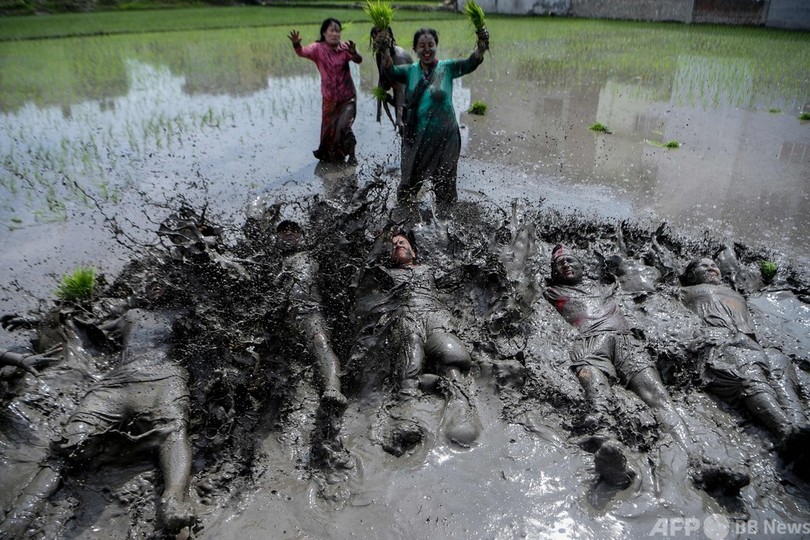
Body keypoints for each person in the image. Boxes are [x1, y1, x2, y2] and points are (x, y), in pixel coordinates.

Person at [544, 245, 700, 488]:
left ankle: (696, 459)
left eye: (571, 260)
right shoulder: (552, 292)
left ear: (584, 267)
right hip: (590, 343)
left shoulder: (606, 285)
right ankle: (611, 454)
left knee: (658, 397)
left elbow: (628, 269)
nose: (566, 265)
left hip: (625, 340)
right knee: (597, 392)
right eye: (559, 263)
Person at [353, 231, 481, 454]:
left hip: (435, 314)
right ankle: (407, 410)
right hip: (404, 316)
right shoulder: (384, 274)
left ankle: (460, 406)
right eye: (392, 245)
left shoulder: (429, 271)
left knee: (452, 355)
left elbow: (458, 278)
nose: (397, 246)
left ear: (413, 250)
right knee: (409, 359)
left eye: (402, 242)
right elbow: (362, 279)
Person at [680, 258, 810, 454]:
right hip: (719, 338)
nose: (711, 268)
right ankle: (784, 429)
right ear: (691, 275)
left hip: (750, 342)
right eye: (704, 266)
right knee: (749, 371)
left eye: (714, 265)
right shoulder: (685, 292)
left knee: (779, 364)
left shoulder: (736, 293)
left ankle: (800, 425)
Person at [375, 27, 489, 207]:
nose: (426, 49)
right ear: (415, 49)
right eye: (422, 46)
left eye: (431, 45)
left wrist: (482, 47)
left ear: (436, 46)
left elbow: (469, 63)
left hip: (446, 137)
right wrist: (383, 49)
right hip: (418, 138)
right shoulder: (410, 71)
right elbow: (391, 71)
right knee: (408, 185)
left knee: (445, 185)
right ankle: (403, 221)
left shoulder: (447, 68)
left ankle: (445, 223)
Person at [274, 220, 346, 412]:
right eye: (283, 231)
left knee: (320, 341)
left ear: (301, 235)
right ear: (277, 237)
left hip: (310, 312)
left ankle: (333, 388)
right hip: (278, 318)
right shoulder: (270, 261)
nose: (289, 233)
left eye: (294, 230)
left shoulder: (314, 256)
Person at [289, 19, 362, 164]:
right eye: (332, 30)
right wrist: (296, 43)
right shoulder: (317, 49)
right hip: (329, 101)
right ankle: (336, 156)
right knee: (330, 134)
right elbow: (302, 52)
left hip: (347, 97)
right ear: (324, 32)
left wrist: (354, 53)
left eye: (337, 31)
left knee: (344, 126)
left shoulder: (344, 48)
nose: (335, 34)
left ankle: (353, 156)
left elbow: (358, 60)